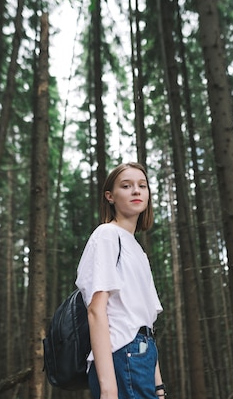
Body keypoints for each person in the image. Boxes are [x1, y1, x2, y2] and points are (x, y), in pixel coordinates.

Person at [75, 162, 167, 399]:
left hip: (142, 357)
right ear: (110, 196)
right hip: (121, 354)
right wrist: (108, 388)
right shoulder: (106, 235)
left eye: (142, 186)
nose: (136, 191)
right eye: (126, 186)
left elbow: (145, 325)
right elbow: (96, 310)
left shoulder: (137, 250)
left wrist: (158, 387)